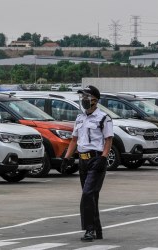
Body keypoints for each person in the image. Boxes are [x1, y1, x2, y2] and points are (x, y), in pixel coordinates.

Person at [61, 85, 113, 242]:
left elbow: (108, 140)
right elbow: (74, 140)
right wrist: (66, 158)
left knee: (87, 194)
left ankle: (89, 230)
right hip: (82, 161)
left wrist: (103, 158)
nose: (83, 100)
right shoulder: (80, 118)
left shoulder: (104, 118)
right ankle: (98, 230)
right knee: (92, 197)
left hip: (96, 160)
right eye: (82, 97)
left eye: (86, 97)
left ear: (95, 100)